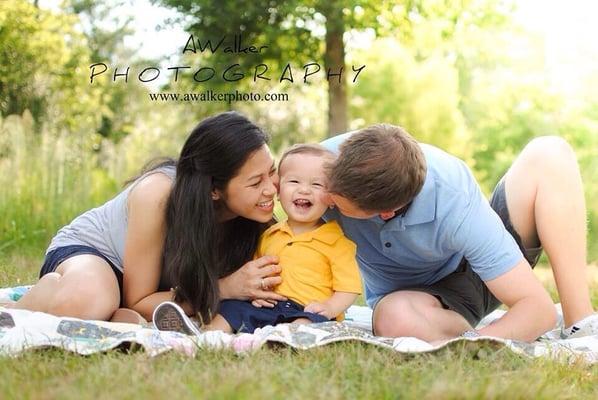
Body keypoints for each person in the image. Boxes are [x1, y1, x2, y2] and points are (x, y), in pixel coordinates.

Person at [321, 124, 597, 342]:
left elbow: (538, 311)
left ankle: (580, 323)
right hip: (412, 297)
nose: (326, 197)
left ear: (385, 212)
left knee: (550, 151)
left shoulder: (454, 199)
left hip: (475, 277)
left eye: (337, 200)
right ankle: (444, 327)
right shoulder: (322, 165)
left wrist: (476, 344)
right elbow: (277, 185)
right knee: (395, 320)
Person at [6, 111, 286, 323]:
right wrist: (225, 288)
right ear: (214, 189)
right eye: (255, 182)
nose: (271, 188)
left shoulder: (250, 219)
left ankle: (113, 314)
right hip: (94, 255)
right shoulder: (158, 193)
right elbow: (139, 299)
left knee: (104, 304)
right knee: (87, 301)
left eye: (271, 171)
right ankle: (36, 301)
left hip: (131, 291)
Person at [153, 144, 362, 334]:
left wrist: (329, 307)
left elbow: (348, 288)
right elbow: (255, 274)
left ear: (332, 198)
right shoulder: (270, 234)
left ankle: (281, 339)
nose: (304, 189)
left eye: (317, 184)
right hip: (267, 305)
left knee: (304, 326)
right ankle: (203, 335)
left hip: (308, 309)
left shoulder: (336, 242)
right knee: (232, 310)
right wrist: (255, 294)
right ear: (278, 191)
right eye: (294, 181)